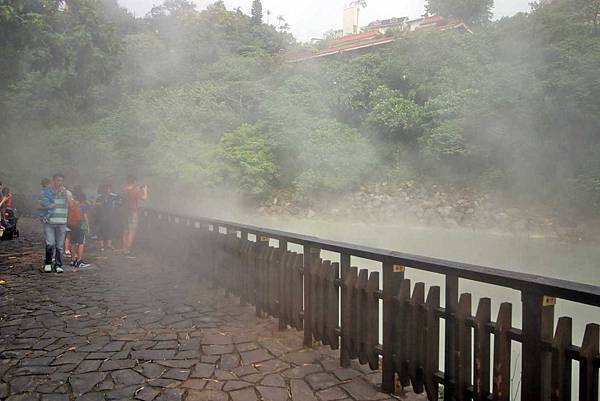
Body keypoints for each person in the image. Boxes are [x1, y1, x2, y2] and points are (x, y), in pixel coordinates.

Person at [38, 174, 68, 273]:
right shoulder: (45, 193)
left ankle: (58, 265)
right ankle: (48, 263)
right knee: (50, 243)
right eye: (57, 181)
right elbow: (38, 206)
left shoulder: (67, 192)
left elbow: (71, 205)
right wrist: (48, 207)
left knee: (59, 246)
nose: (59, 183)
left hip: (62, 222)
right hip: (49, 221)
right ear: (53, 181)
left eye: (61, 181)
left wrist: (65, 194)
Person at [122, 175, 147, 255]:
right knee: (132, 231)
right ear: (134, 181)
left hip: (125, 211)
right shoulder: (134, 191)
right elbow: (144, 198)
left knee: (125, 230)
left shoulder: (124, 189)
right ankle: (127, 250)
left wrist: (138, 188)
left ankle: (123, 248)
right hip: (133, 211)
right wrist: (145, 190)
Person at [68, 186, 91, 268]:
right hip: (81, 224)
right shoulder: (82, 206)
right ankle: (79, 261)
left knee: (73, 242)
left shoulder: (71, 205)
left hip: (72, 225)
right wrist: (87, 227)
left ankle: (73, 260)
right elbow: (85, 217)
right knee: (81, 242)